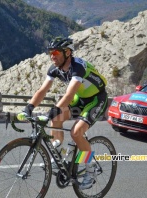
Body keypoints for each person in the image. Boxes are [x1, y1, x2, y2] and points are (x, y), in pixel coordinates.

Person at [18, 37, 108, 190]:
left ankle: (90, 169)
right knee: (56, 118)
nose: (52, 56)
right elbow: (42, 90)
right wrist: (29, 107)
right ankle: (58, 152)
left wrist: (50, 112)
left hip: (96, 99)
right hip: (81, 98)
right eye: (50, 53)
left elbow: (68, 95)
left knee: (76, 133)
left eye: (55, 52)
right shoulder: (54, 69)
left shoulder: (78, 67)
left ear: (67, 52)